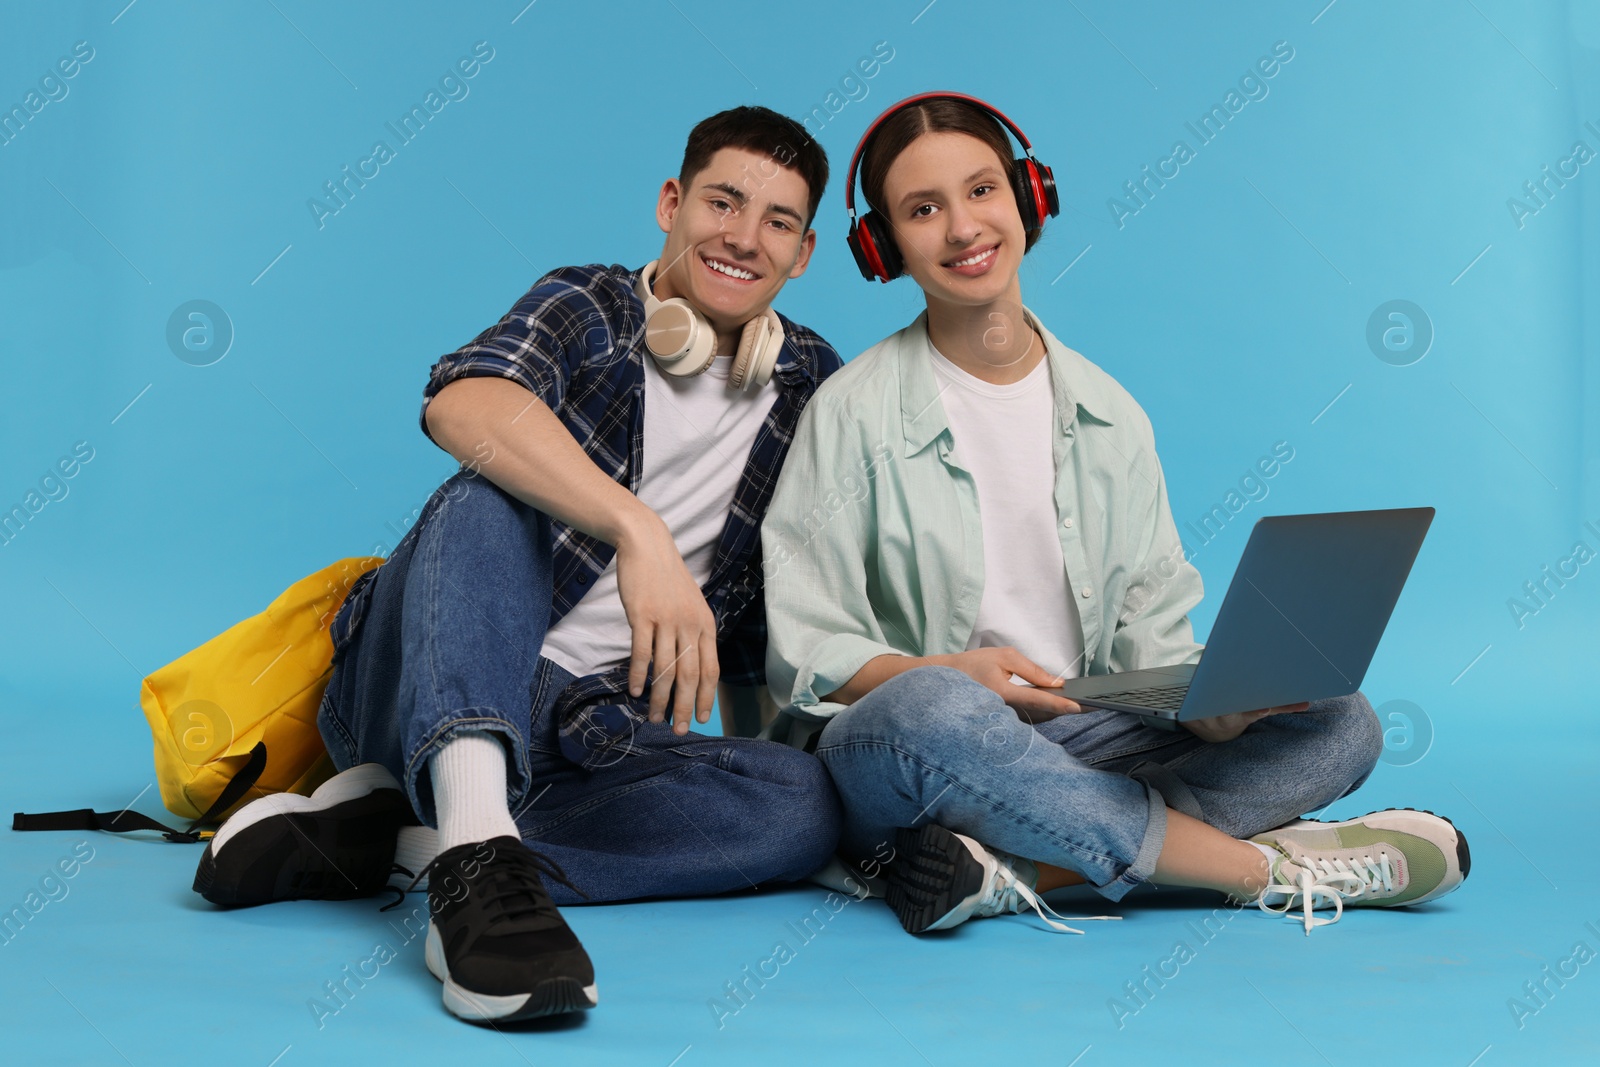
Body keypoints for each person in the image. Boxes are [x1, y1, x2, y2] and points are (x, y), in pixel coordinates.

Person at [761, 92, 1469, 939]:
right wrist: (945, 670)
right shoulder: (849, 412)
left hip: (1082, 738)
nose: (961, 228)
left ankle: (1021, 868)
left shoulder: (1110, 414)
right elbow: (806, 651)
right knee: (936, 709)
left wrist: (1212, 704)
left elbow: (1148, 639)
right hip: (915, 755)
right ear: (883, 247)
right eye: (922, 209)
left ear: (1028, 198)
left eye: (982, 190)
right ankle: (1258, 868)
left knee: (1341, 719)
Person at [193, 105, 845, 1023]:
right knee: (489, 494)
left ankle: (407, 834)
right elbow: (464, 401)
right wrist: (637, 531)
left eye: (777, 221)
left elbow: (814, 584)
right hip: (426, 673)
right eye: (723, 202)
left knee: (802, 806)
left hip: (586, 731)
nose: (744, 238)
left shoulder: (808, 382)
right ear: (671, 202)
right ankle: (474, 876)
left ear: (804, 252)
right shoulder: (590, 304)